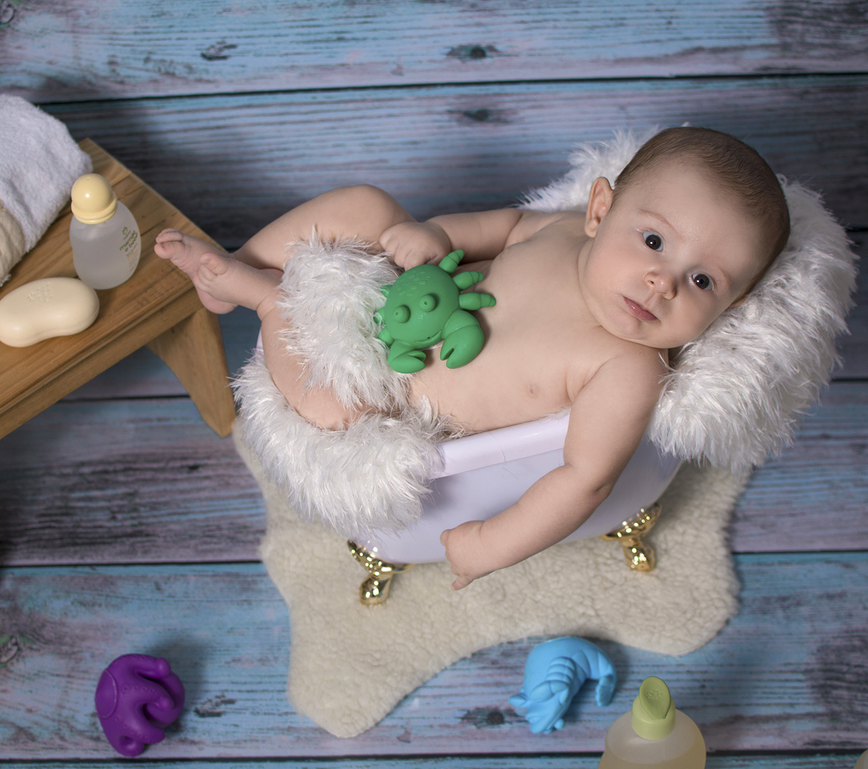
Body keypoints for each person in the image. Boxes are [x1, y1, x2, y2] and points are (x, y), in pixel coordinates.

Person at [154, 127, 790, 590]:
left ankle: (269, 303)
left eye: (704, 281)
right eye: (653, 240)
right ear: (601, 209)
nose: (662, 282)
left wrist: (493, 543)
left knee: (336, 410)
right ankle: (237, 271)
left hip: (397, 399)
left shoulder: (627, 368)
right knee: (367, 207)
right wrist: (438, 236)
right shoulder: (564, 229)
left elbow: (584, 478)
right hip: (394, 290)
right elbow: (504, 225)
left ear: (732, 308)